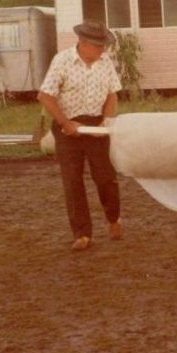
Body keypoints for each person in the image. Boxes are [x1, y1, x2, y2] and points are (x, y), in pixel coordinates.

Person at [38, 19, 123, 251]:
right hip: (68, 127)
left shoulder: (105, 62)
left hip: (96, 126)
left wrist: (106, 120)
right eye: (98, 46)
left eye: (103, 46)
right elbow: (45, 96)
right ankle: (82, 233)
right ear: (83, 43)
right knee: (73, 181)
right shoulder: (62, 61)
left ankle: (113, 218)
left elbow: (112, 94)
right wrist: (65, 123)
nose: (102, 50)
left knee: (105, 177)